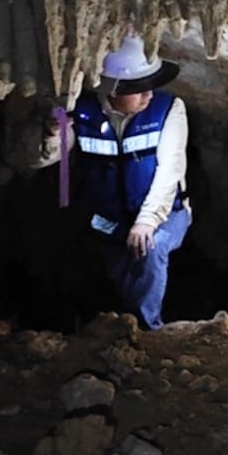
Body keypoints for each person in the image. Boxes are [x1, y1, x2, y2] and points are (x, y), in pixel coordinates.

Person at [36, 36, 190, 330]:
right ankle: (113, 326)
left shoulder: (169, 109)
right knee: (115, 273)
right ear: (112, 89)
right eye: (137, 88)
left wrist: (147, 221)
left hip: (165, 214)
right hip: (107, 217)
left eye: (150, 84)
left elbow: (171, 169)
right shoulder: (81, 112)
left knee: (150, 247)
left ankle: (148, 331)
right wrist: (53, 135)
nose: (147, 94)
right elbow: (42, 161)